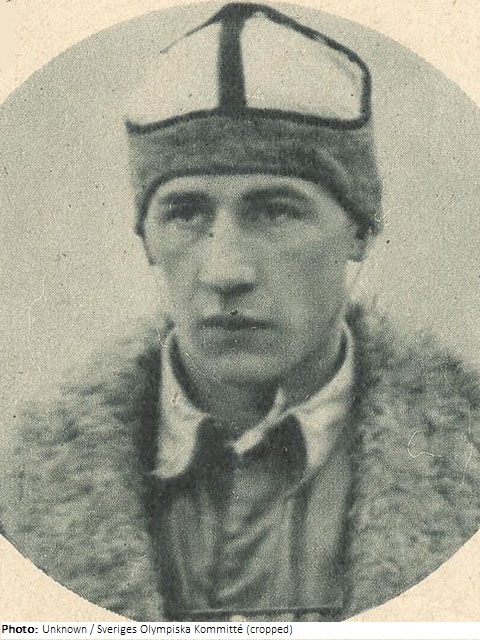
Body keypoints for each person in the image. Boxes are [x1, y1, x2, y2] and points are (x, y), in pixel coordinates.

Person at [1, 2, 480, 623]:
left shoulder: (465, 461)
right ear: (145, 237)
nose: (225, 271)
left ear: (360, 230)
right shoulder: (20, 489)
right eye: (185, 212)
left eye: (276, 211)